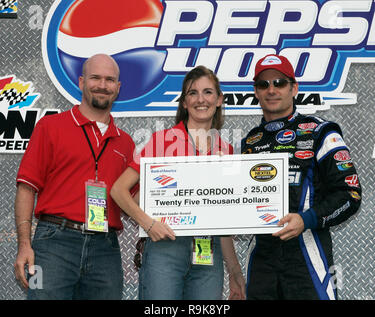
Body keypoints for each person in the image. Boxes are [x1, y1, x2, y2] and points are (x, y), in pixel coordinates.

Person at [111, 65, 246, 300]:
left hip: (208, 252)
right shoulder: (162, 141)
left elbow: (224, 222)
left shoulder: (226, 150)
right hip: (166, 248)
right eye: (192, 93)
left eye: (208, 92)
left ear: (219, 99)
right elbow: (119, 190)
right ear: (184, 102)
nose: (200, 99)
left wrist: (234, 271)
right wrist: (149, 224)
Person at [14, 54, 137, 300]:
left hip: (106, 248)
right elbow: (26, 189)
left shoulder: (125, 142)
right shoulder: (50, 127)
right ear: (81, 82)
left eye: (110, 80)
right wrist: (24, 245)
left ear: (118, 87)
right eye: (95, 78)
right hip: (52, 243)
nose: (102, 85)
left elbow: (136, 200)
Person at [241, 54, 362, 300]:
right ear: (256, 91)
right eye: (264, 84)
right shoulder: (249, 142)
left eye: (279, 83)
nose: (271, 90)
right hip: (262, 258)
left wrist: (306, 220)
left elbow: (350, 195)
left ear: (293, 88)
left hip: (307, 252)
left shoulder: (321, 132)